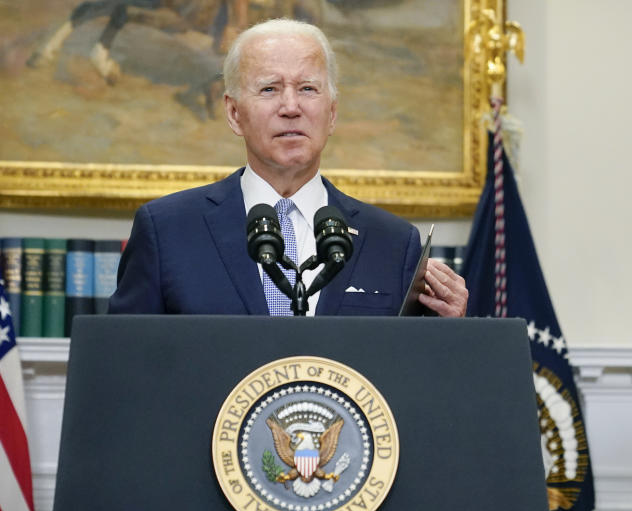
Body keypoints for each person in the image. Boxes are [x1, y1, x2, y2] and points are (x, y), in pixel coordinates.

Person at [109, 18, 467, 318]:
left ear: (332, 113)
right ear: (234, 113)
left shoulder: (392, 242)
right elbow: (123, 365)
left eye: (308, 88)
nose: (291, 107)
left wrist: (450, 329)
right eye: (269, 89)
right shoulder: (168, 231)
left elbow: (409, 375)